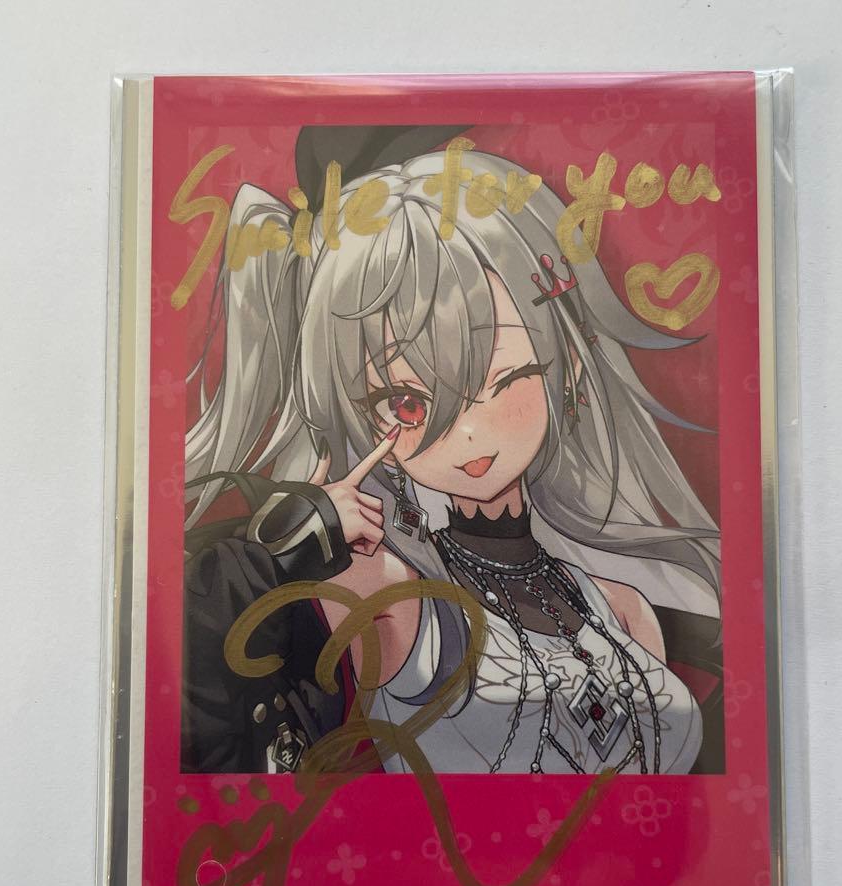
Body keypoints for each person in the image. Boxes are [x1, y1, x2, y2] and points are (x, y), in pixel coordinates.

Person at [181, 126, 723, 776]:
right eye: (409, 404)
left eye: (504, 381)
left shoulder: (624, 608)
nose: (465, 434)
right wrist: (291, 548)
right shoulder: (390, 596)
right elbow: (190, 663)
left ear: (569, 369)